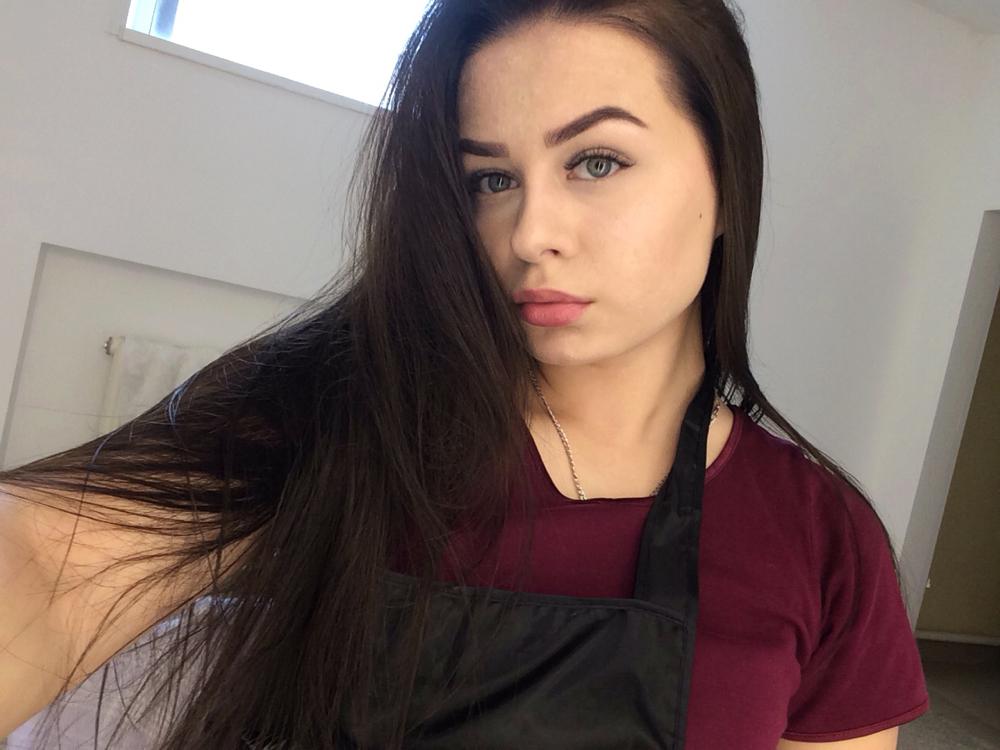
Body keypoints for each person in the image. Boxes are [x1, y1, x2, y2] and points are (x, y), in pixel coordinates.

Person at [0, 1, 929, 748]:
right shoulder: (337, 413)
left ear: (727, 181)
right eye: (491, 179)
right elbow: (42, 561)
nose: (529, 235)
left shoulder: (824, 539)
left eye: (596, 161)